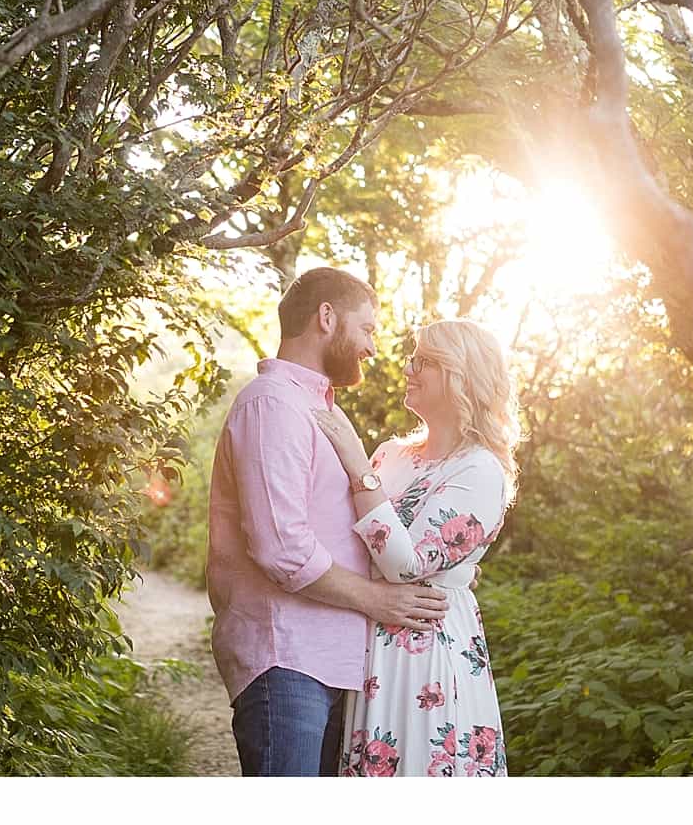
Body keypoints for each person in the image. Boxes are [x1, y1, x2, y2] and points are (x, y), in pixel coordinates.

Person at [206, 266, 450, 775]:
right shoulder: (273, 404)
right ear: (326, 318)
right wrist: (379, 599)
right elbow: (282, 548)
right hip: (286, 658)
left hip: (327, 661)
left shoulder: (312, 407)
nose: (372, 348)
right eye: (367, 329)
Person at [317, 320, 517, 777]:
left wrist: (354, 462)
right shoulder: (391, 454)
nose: (409, 368)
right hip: (369, 645)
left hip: (426, 654)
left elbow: (406, 565)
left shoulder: (481, 470)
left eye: (423, 361)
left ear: (461, 376)